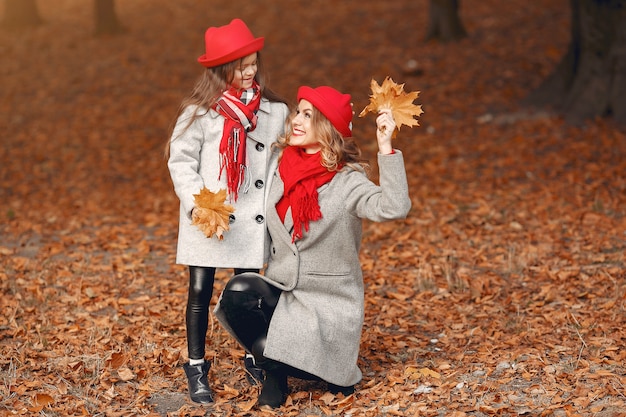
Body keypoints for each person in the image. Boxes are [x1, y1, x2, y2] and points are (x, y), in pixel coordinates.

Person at [214, 85, 412, 408]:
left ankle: (320, 367)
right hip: (285, 290)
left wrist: (385, 146)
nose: (297, 119)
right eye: (298, 112)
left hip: (328, 303)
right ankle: (274, 372)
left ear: (327, 128)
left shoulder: (347, 181)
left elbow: (394, 207)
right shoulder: (280, 167)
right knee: (238, 292)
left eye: (308, 115)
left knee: (329, 374)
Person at [166, 18, 289, 404]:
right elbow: (180, 161)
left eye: (253, 62)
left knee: (246, 291)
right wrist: (200, 202)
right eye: (241, 66)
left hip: (251, 220)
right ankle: (196, 364)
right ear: (221, 71)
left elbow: (282, 165)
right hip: (212, 217)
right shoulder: (199, 113)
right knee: (200, 291)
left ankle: (256, 354)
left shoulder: (274, 112)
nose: (250, 71)